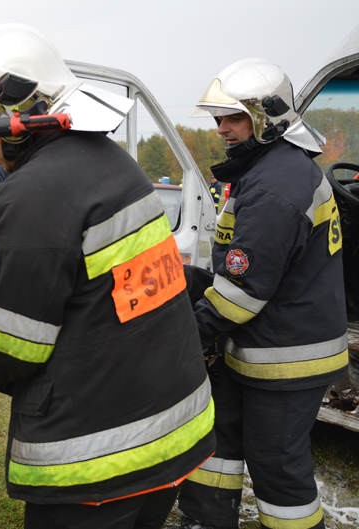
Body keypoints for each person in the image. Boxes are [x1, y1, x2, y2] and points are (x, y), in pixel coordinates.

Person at [0, 24, 215, 528]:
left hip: (98, 458)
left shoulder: (32, 193)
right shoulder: (112, 163)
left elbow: (11, 347)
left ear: (16, 117)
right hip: (170, 430)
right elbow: (50, 258)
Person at [175, 58, 348, 529]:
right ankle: (205, 520)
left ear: (267, 118)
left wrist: (186, 335)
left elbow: (241, 295)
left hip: (286, 356)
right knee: (220, 446)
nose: (222, 129)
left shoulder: (276, 184)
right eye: (218, 119)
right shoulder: (271, 169)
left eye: (234, 118)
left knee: (278, 469)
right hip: (260, 346)